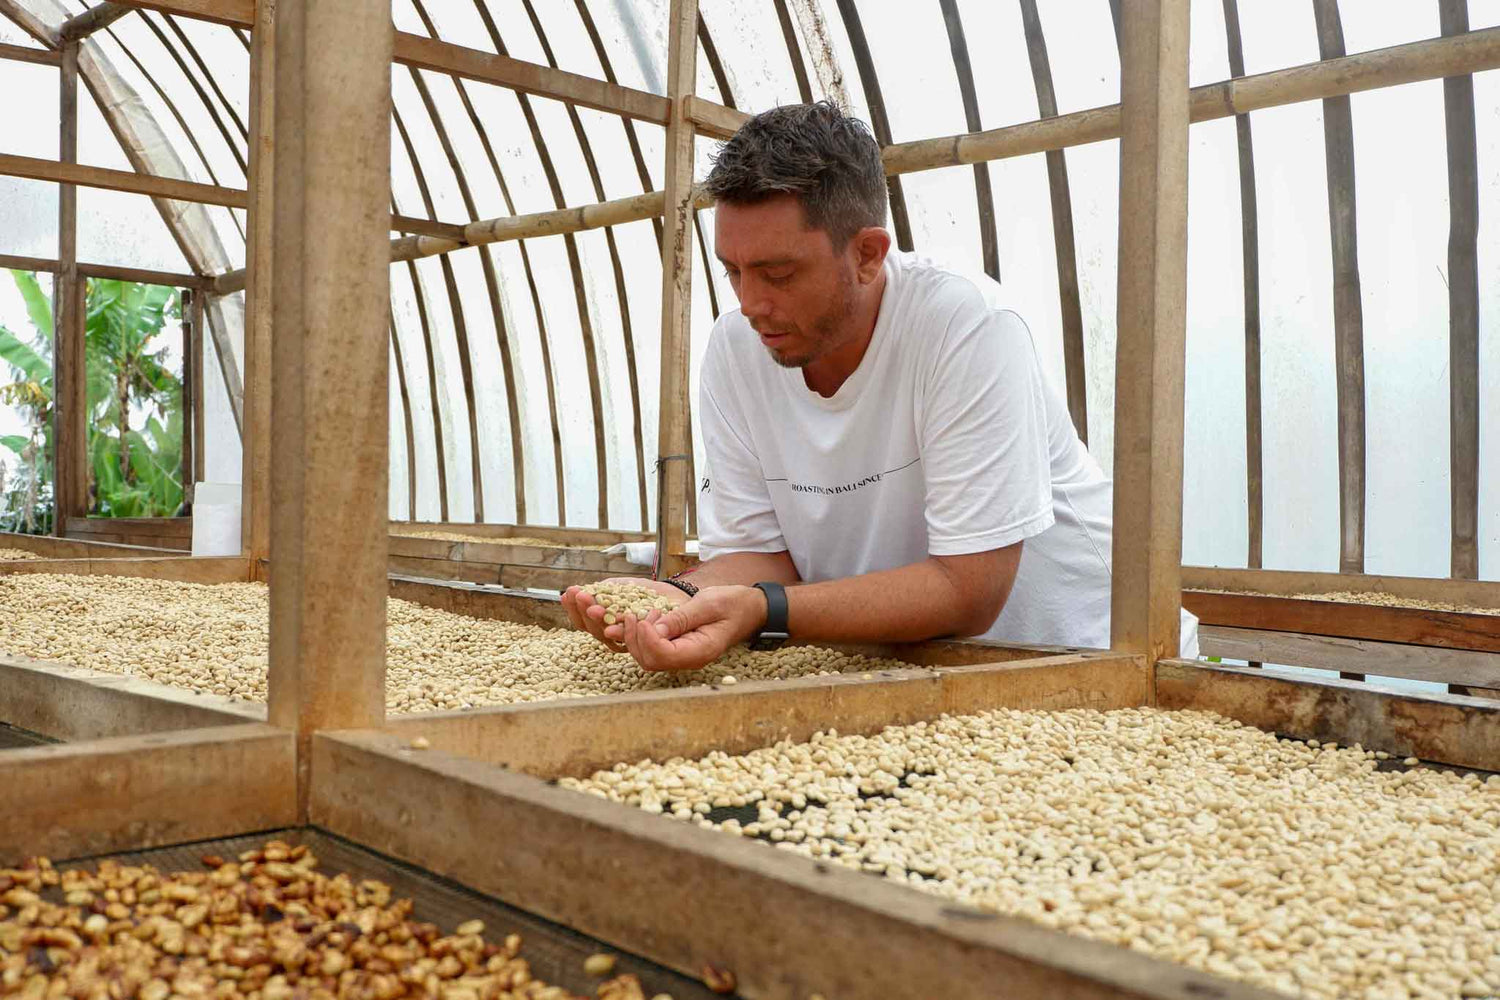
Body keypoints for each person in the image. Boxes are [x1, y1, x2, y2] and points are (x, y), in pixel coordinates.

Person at [562, 101, 1198, 670]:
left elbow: (967, 590)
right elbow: (762, 560)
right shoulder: (736, 349)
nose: (751, 303)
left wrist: (762, 611)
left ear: (867, 253)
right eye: (733, 271)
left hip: (1086, 661)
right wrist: (676, 598)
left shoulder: (964, 325)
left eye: (778, 273)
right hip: (919, 673)